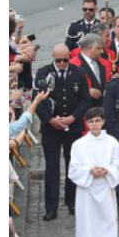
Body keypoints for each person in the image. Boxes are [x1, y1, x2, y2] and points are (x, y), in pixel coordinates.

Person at [35, 44, 91, 220]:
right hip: (51, 128)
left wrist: (74, 117)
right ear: (53, 57)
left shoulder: (78, 73)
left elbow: (85, 100)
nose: (61, 64)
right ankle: (51, 208)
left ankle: (72, 201)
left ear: (69, 58)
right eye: (58, 60)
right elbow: (37, 101)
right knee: (51, 167)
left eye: (65, 60)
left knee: (72, 165)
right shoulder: (43, 73)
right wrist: (50, 120)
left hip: (72, 127)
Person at [68, 107, 119, 237]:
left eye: (98, 121)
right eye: (91, 121)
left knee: (107, 222)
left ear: (103, 121)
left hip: (106, 187)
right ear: (86, 123)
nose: (95, 124)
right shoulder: (79, 145)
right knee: (88, 225)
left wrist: (108, 170)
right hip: (87, 190)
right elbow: (73, 169)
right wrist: (89, 171)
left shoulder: (112, 142)